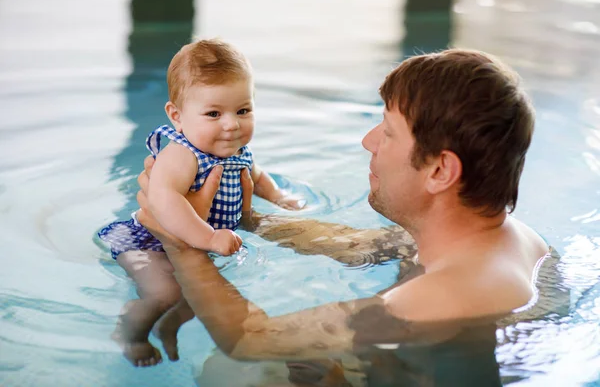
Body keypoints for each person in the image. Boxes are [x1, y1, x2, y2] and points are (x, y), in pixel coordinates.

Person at [135, 48, 552, 383]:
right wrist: (246, 218)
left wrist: (182, 243)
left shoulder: (445, 297)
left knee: (234, 374)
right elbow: (353, 246)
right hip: (408, 368)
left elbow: (250, 339)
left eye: (387, 132)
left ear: (440, 171)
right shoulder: (506, 239)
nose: (368, 141)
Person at [97, 38, 305, 367]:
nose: (231, 124)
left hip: (195, 239)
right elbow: (164, 200)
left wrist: (278, 196)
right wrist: (208, 238)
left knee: (196, 297)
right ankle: (130, 332)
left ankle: (168, 325)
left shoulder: (236, 150)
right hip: (147, 242)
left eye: (243, 110)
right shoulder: (182, 154)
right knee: (165, 294)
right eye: (213, 113)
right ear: (177, 116)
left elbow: (258, 175)